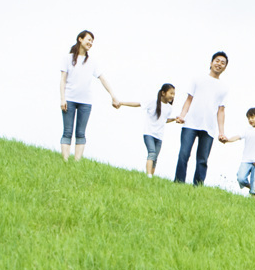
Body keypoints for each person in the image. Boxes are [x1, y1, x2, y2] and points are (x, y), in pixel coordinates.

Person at [58, 30, 127, 161]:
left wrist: (113, 95)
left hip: (85, 102)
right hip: (69, 99)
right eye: (88, 40)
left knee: (81, 133)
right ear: (80, 39)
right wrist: (62, 98)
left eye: (92, 41)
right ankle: (65, 161)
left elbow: (102, 78)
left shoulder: (92, 62)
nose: (90, 43)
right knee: (67, 131)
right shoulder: (67, 58)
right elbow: (62, 79)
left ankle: (77, 162)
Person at [173, 51, 230, 185]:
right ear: (211, 63)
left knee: (202, 159)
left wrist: (221, 132)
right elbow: (189, 99)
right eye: (217, 61)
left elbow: (221, 110)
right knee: (183, 154)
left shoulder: (224, 88)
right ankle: (178, 183)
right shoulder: (198, 79)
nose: (219, 64)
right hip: (191, 123)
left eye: (223, 63)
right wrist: (182, 115)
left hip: (209, 127)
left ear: (225, 68)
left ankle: (198, 187)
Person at [117, 83, 178, 176]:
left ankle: (151, 177)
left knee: (155, 158)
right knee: (152, 153)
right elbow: (138, 104)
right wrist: (122, 103)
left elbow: (164, 120)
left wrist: (174, 119)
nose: (172, 96)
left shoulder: (169, 108)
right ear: (163, 93)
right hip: (149, 134)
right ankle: (148, 175)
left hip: (159, 137)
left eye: (174, 94)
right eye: (171, 93)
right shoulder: (153, 102)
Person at [221, 107, 255, 197]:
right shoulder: (247, 130)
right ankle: (250, 187)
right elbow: (237, 137)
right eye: (248, 118)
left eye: (252, 117)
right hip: (246, 160)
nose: (250, 120)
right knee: (241, 178)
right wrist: (227, 140)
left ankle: (254, 200)